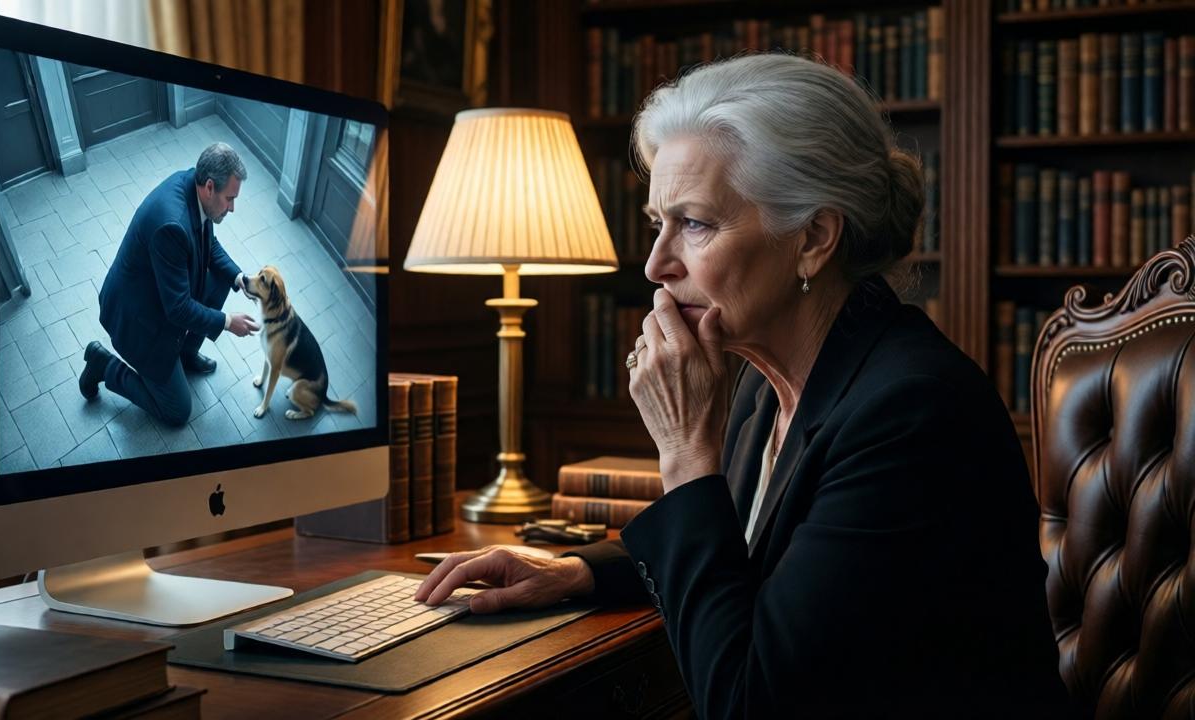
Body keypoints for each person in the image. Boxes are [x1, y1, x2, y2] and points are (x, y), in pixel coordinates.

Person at [415, 54, 1070, 717]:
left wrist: (685, 455)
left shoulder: (912, 415)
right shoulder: (769, 380)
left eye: (694, 223)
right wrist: (583, 571)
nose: (656, 263)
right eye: (657, 223)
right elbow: (753, 559)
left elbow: (747, 702)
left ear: (813, 237)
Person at [80, 142, 260, 427]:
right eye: (230, 199)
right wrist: (227, 322)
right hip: (138, 319)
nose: (233, 208)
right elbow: (177, 308)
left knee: (221, 281)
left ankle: (185, 355)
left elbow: (208, 244)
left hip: (161, 293)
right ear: (210, 187)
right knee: (177, 411)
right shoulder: (172, 225)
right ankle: (103, 365)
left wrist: (240, 279)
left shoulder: (196, 186)